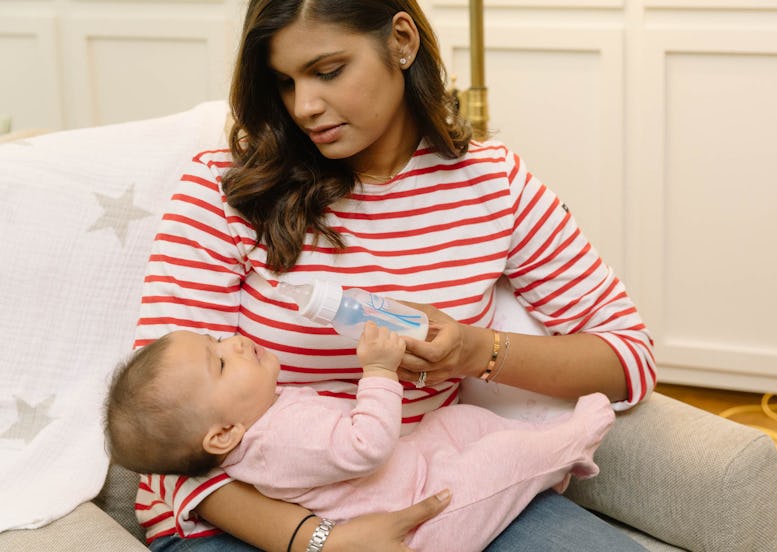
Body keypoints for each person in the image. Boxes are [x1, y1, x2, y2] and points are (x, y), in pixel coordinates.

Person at [131, 0, 657, 550]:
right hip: (246, 519)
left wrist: (476, 352)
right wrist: (317, 540)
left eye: (328, 71)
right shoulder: (224, 192)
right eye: (284, 83)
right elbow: (165, 430)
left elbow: (629, 356)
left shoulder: (492, 185)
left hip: (436, 487)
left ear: (401, 40)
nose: (305, 106)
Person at [106, 323, 615, 552]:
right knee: (501, 461)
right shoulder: (281, 439)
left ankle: (545, 471)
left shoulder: (260, 422)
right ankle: (573, 442)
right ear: (221, 435)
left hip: (412, 465)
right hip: (421, 515)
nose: (233, 341)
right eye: (220, 360)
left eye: (217, 339)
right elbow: (364, 445)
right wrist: (377, 370)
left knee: (457, 425)